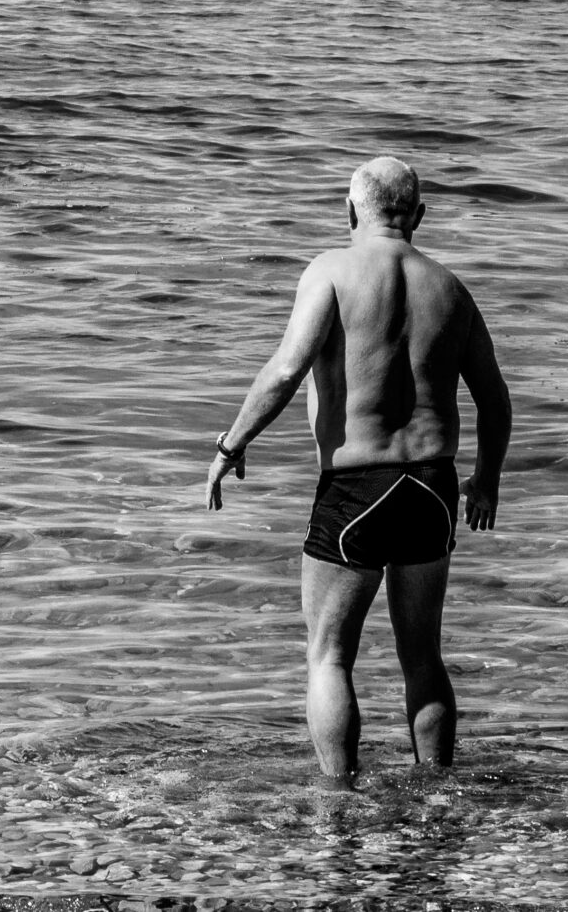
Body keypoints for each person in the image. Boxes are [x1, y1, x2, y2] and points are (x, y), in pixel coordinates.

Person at [203, 156, 512, 788]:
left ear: (348, 211)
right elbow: (495, 398)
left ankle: (338, 796)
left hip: (356, 488)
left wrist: (232, 444)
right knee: (422, 656)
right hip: (431, 486)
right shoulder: (451, 289)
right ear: (419, 215)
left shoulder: (331, 271)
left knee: (330, 656)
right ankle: (436, 791)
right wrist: (486, 481)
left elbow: (285, 371)